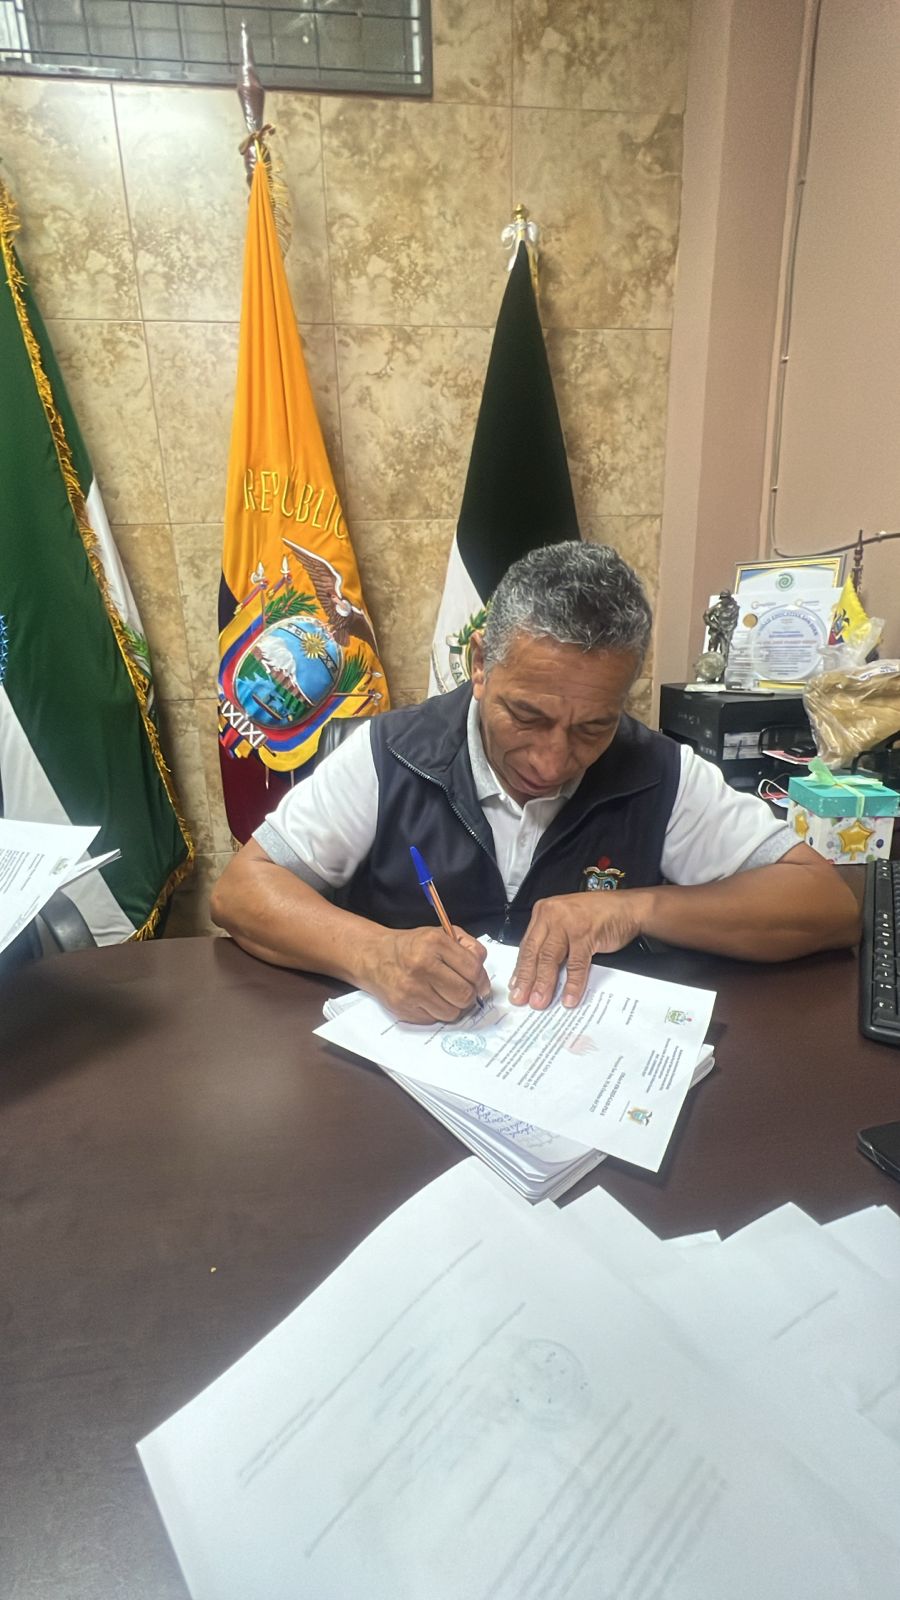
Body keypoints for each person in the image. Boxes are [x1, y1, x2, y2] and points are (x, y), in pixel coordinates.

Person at [211, 542, 859, 1023]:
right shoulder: (391, 754)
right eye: (527, 716)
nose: (551, 762)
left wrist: (634, 909)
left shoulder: (658, 771)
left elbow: (826, 907)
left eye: (593, 727)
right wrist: (373, 954)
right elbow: (243, 891)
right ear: (480, 666)